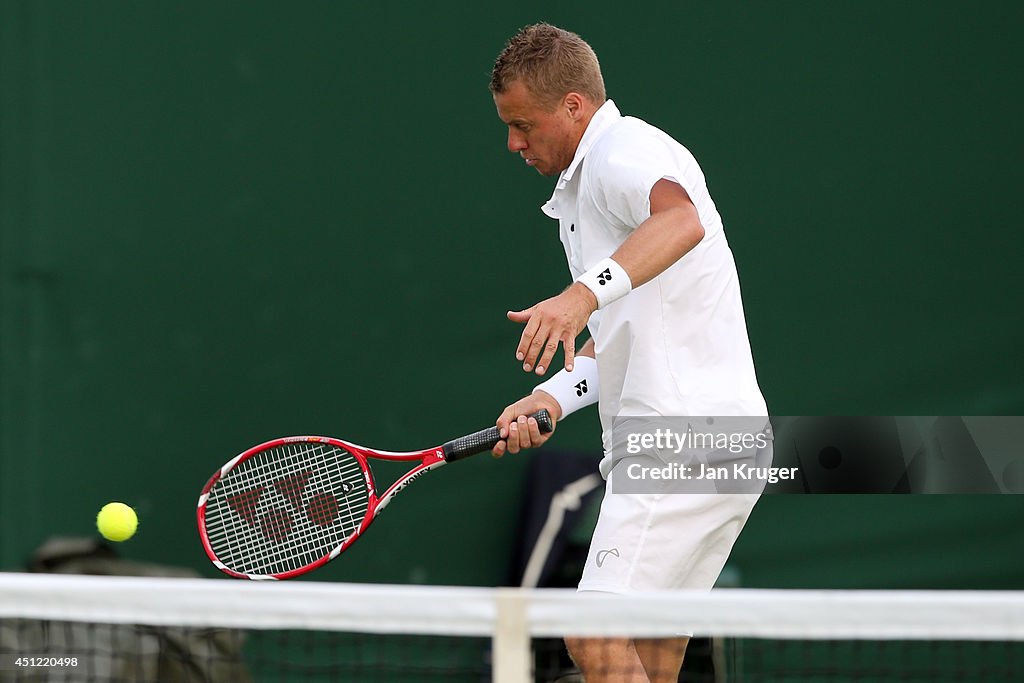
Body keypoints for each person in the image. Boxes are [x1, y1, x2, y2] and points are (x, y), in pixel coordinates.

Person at [487, 23, 770, 683]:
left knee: (594, 634)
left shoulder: (621, 150)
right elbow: (620, 333)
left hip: (677, 442)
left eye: (523, 124)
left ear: (574, 106)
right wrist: (552, 397)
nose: (513, 143)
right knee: (653, 657)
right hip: (725, 440)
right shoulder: (587, 190)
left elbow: (681, 221)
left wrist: (581, 295)